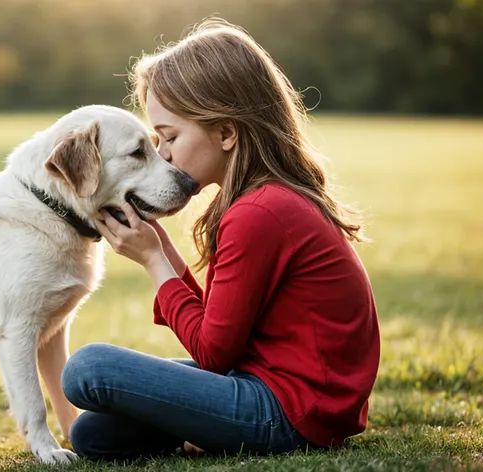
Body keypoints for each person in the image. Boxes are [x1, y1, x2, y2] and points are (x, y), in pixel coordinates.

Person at [61, 17, 380, 461]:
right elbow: (221, 331)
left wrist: (155, 262)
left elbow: (212, 353)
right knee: (94, 434)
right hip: (279, 389)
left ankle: (228, 429)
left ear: (226, 132)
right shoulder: (264, 201)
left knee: (87, 368)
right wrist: (159, 244)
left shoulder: (259, 213)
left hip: (291, 411)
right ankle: (217, 430)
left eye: (169, 137)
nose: (164, 155)